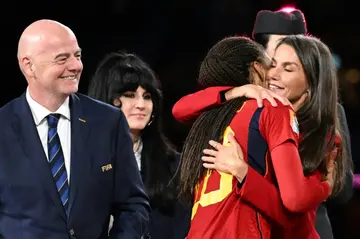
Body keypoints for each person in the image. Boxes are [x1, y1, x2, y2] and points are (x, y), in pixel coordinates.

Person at [173, 8, 353, 239]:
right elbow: (180, 109)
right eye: (272, 63)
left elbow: (303, 203)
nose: (273, 74)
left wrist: (325, 186)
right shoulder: (254, 105)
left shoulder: (324, 127)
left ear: (312, 81)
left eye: (288, 68)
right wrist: (235, 91)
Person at [0, 19, 150, 238]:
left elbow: (133, 205)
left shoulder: (108, 121)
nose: (76, 66)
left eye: (77, 56)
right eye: (62, 59)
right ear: (28, 65)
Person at [88, 52, 190, 239]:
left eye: (147, 96)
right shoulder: (79, 159)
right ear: (106, 99)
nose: (141, 104)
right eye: (130, 95)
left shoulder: (175, 167)